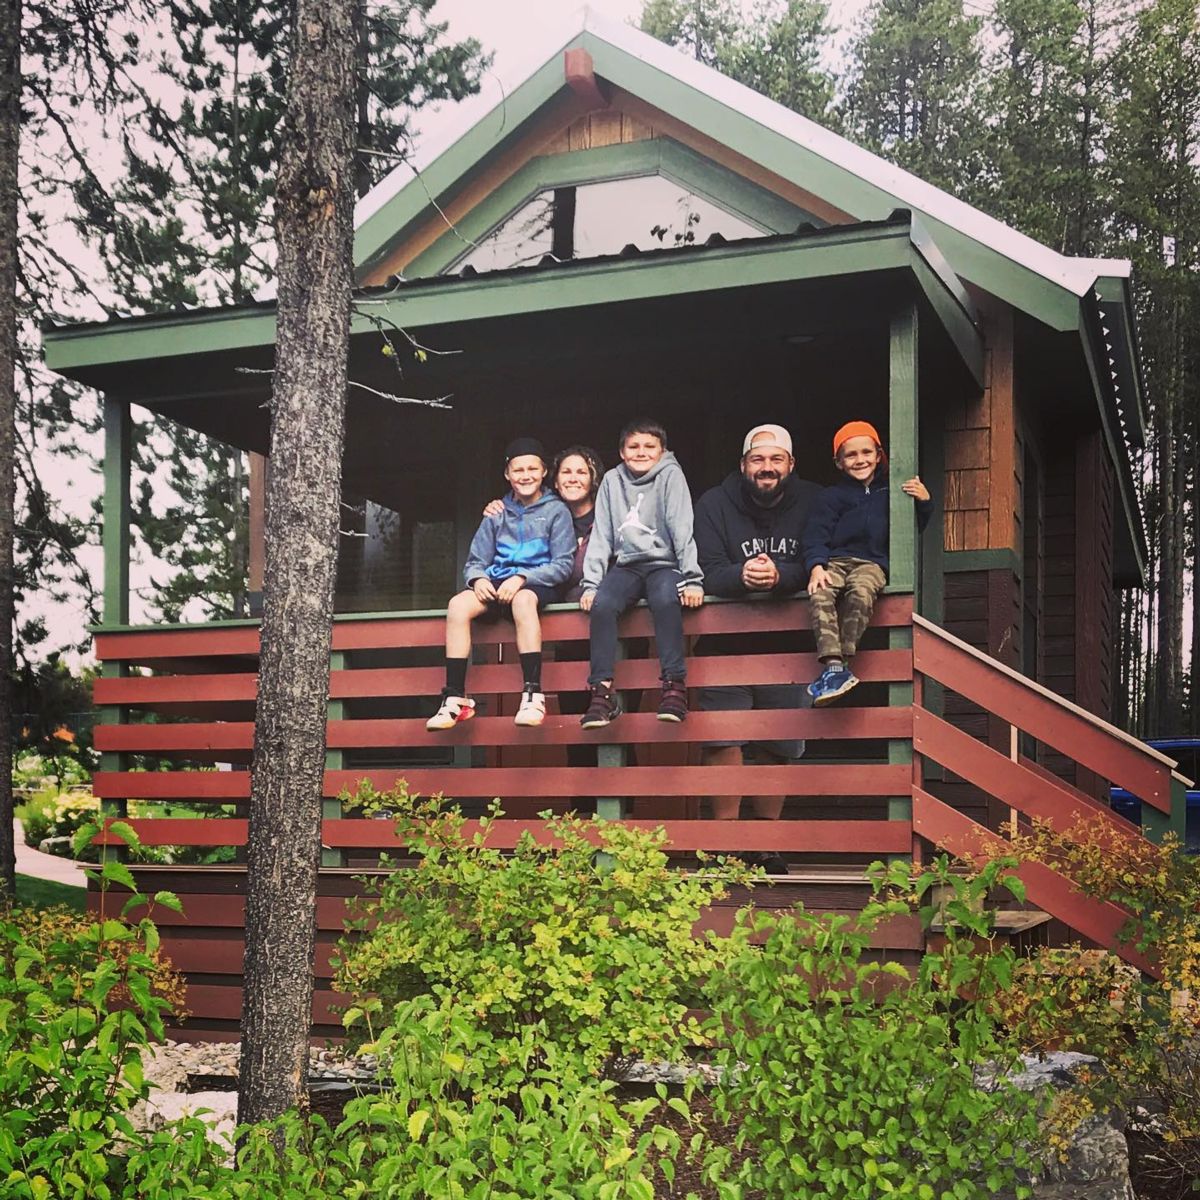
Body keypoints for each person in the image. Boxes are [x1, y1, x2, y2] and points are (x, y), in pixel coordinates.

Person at [693, 424, 822, 862]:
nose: (767, 468)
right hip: (724, 642)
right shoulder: (713, 503)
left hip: (787, 645)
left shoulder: (813, 500)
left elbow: (822, 557)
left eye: (776, 460)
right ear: (743, 464)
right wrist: (740, 576)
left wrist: (783, 577)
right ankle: (725, 846)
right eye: (758, 460)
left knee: (778, 744)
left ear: (791, 465)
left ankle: (766, 847)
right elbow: (704, 567)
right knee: (722, 741)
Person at [426, 437, 575, 731]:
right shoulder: (496, 513)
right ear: (507, 474)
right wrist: (478, 578)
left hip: (536, 582)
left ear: (544, 471)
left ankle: (533, 694)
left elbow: (563, 565)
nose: (526, 475)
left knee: (523, 600)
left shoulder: (556, 511)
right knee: (458, 604)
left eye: (533, 468)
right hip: (497, 582)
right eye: (518, 470)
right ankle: (455, 697)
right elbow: (474, 561)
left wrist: (523, 578)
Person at [579, 418, 703, 727]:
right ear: (622, 451)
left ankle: (674, 687)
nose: (641, 452)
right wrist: (591, 584)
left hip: (664, 565)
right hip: (627, 566)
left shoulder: (671, 475)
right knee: (604, 604)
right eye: (633, 446)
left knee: (665, 598)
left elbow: (681, 526)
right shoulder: (610, 480)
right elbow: (603, 535)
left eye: (650, 446)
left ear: (662, 451)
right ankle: (602, 692)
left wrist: (692, 578)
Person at [803, 420, 932, 705]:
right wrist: (816, 566)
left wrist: (924, 502)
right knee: (820, 591)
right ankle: (833, 666)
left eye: (866, 453)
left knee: (861, 592)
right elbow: (815, 535)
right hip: (835, 561)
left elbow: (913, 528)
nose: (860, 460)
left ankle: (843, 663)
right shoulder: (830, 497)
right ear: (838, 462)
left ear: (878, 455)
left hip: (872, 563)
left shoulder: (893, 492)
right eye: (851, 455)